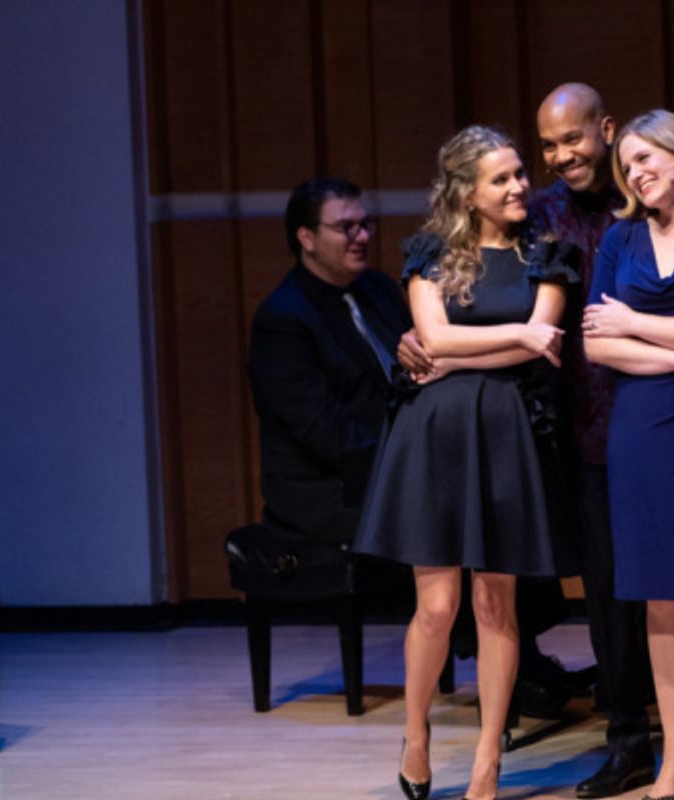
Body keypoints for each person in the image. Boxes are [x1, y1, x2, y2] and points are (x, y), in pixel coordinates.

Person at [532, 85, 674, 798]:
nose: (634, 173)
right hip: (639, 430)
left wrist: (638, 322)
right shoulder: (625, 237)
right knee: (659, 599)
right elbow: (599, 346)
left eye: (645, 157)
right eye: (627, 165)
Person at [353, 126, 578, 800]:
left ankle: (487, 760)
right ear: (466, 192)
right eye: (501, 179)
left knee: (495, 602)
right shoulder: (429, 253)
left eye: (518, 175)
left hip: (506, 430)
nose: (518, 187)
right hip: (437, 432)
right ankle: (416, 733)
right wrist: (513, 331)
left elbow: (539, 348)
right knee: (437, 604)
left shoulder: (548, 254)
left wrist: (467, 350)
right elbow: (434, 336)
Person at [248, 177, 428, 545]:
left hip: (387, 468)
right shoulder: (283, 319)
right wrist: (410, 464)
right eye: (346, 228)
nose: (361, 237)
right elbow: (326, 433)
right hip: (330, 490)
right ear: (307, 238)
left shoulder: (378, 287)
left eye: (365, 225)